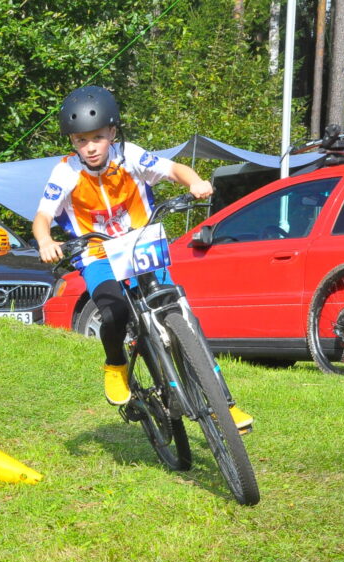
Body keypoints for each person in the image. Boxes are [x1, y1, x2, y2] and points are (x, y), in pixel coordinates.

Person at [32, 85, 253, 432]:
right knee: (114, 311)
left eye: (97, 137)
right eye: (81, 141)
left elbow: (174, 169)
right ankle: (115, 364)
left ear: (112, 133)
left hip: (141, 246)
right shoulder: (66, 172)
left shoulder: (130, 155)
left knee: (181, 317)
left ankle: (223, 405)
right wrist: (45, 240)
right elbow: (42, 216)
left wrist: (195, 181)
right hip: (98, 254)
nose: (90, 147)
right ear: (73, 143)